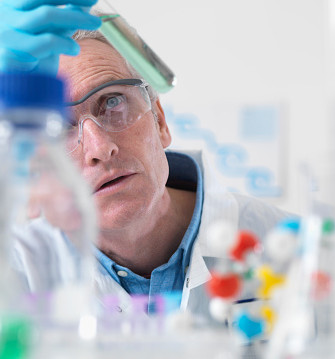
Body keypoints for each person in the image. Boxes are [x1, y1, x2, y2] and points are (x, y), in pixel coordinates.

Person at [0, 0, 289, 319]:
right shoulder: (15, 271)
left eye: (112, 102)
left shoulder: (290, 247)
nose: (99, 148)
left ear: (160, 121)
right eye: (59, 127)